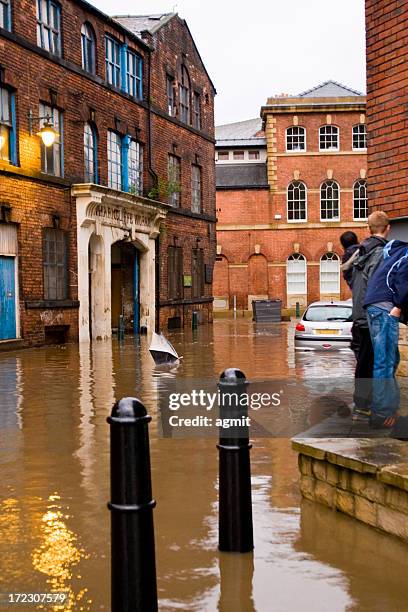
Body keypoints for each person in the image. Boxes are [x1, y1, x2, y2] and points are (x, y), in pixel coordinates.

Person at [364, 239, 408, 428]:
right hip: (385, 308)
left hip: (375, 305)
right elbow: (404, 283)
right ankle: (381, 414)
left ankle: (388, 407)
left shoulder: (398, 252)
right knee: (385, 361)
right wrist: (398, 306)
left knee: (391, 359)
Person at [351, 211, 390, 418]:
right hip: (372, 314)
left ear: (368, 228)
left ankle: (362, 403)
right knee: (377, 360)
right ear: (388, 228)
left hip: (359, 313)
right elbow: (377, 285)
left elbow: (352, 279)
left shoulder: (361, 250)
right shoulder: (381, 253)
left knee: (365, 359)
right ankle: (368, 404)